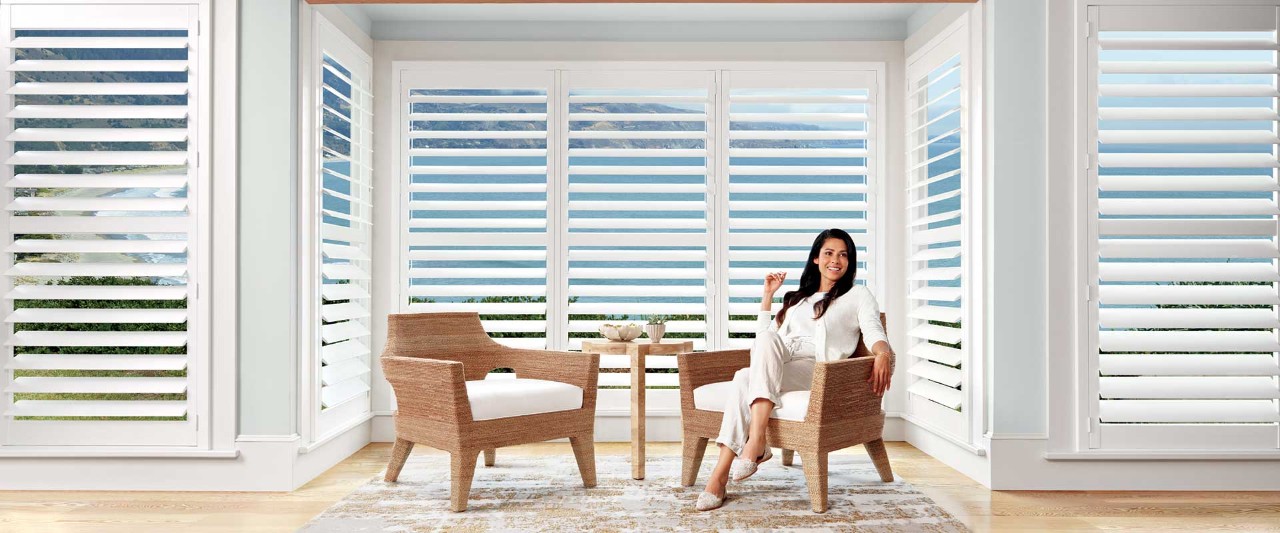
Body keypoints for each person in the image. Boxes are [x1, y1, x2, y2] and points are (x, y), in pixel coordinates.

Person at [695, 228, 895, 511]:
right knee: (748, 368)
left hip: (818, 369)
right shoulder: (797, 298)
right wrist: (768, 297)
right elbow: (764, 341)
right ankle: (739, 459)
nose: (835, 260)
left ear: (850, 262)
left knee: (744, 377)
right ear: (816, 258)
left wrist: (883, 351)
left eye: (843, 255)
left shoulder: (858, 295)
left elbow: (873, 328)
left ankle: (734, 462)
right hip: (781, 357)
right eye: (828, 253)